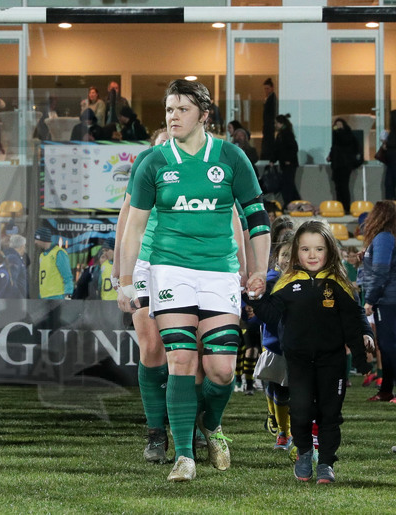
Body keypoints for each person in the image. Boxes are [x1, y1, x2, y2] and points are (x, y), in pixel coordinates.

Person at [120, 79, 271, 482]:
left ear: (203, 115)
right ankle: (182, 454)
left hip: (219, 271)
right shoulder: (152, 161)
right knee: (179, 359)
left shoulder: (231, 157)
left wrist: (257, 268)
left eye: (182, 109)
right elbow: (132, 226)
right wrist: (124, 280)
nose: (173, 116)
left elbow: (254, 217)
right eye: (169, 109)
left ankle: (210, 422)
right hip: (169, 268)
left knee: (221, 370)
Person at [247, 221, 373, 484]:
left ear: (329, 250)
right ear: (296, 252)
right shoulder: (286, 283)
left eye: (319, 249)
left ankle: (326, 462)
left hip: (333, 361)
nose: (312, 255)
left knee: (330, 413)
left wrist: (366, 337)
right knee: (301, 410)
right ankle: (304, 452)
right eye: (305, 249)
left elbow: (355, 316)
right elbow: (270, 315)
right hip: (299, 361)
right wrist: (256, 299)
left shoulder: (339, 282)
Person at [115, 128, 172, 465]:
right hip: (144, 264)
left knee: (187, 350)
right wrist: (118, 271)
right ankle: (155, 433)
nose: (165, 146)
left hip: (185, 264)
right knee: (152, 347)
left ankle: (192, 423)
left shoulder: (195, 170)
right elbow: (126, 218)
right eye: (160, 142)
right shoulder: (144, 167)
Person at [253, 231, 295, 450]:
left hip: (300, 347)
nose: (288, 259)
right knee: (278, 388)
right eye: (284, 254)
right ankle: (283, 432)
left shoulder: (306, 279)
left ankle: (293, 430)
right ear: (276, 257)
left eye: (292, 254)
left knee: (294, 390)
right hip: (275, 346)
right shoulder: (270, 281)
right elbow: (261, 312)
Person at [361, 202, 396, 409]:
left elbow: (381, 271)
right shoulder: (386, 238)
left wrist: (370, 299)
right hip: (389, 298)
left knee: (390, 346)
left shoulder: (383, 238)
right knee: (386, 346)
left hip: (388, 300)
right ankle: (385, 391)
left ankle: (387, 390)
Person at [328, 118, 362, 213]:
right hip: (336, 165)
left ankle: (346, 206)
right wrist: (330, 156)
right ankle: (339, 206)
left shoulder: (348, 135)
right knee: (337, 187)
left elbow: (345, 142)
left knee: (344, 186)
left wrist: (338, 131)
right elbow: (334, 147)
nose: (337, 126)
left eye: (339, 124)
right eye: (336, 124)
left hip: (345, 165)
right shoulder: (335, 136)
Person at [34, 227, 73, 299]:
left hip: (57, 297)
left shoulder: (58, 253)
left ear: (43, 239)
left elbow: (67, 276)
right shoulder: (42, 255)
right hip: (44, 297)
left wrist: (68, 297)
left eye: (36, 239)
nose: (35, 242)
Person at [272, 114, 301, 206]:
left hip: (289, 164)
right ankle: (296, 203)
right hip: (286, 164)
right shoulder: (283, 134)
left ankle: (290, 203)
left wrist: (288, 159)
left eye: (276, 123)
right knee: (289, 184)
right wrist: (273, 160)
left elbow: (292, 148)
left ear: (280, 123)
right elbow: (278, 150)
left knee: (287, 185)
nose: (275, 125)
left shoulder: (286, 134)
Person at [3, 234, 28, 299]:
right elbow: (12, 280)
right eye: (24, 246)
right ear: (21, 246)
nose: (24, 249)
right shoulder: (13, 258)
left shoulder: (12, 257)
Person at [379, 110, 396, 200]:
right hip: (391, 157)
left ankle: (390, 203)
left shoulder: (392, 135)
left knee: (389, 182)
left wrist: (387, 143)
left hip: (391, 157)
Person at [261, 78, 278, 160]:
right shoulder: (269, 98)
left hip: (269, 126)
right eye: (265, 89)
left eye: (267, 88)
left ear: (272, 88)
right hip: (268, 125)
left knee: (268, 143)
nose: (266, 91)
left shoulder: (272, 99)